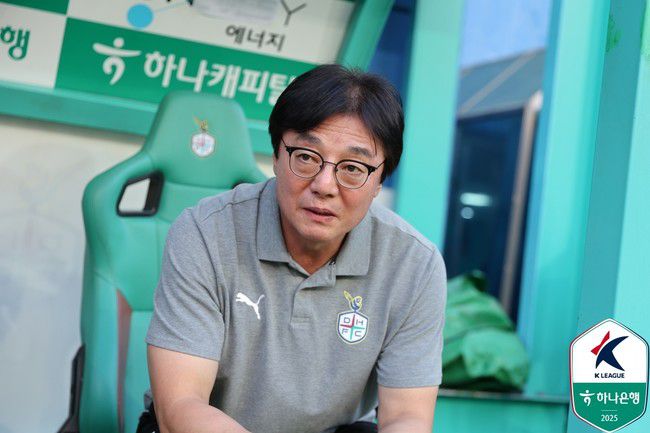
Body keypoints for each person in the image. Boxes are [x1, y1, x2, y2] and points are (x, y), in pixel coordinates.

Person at [138, 64, 447, 433]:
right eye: (306, 156)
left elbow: (406, 418)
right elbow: (181, 406)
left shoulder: (415, 264)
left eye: (353, 168)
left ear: (380, 179)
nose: (325, 185)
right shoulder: (204, 233)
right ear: (276, 155)